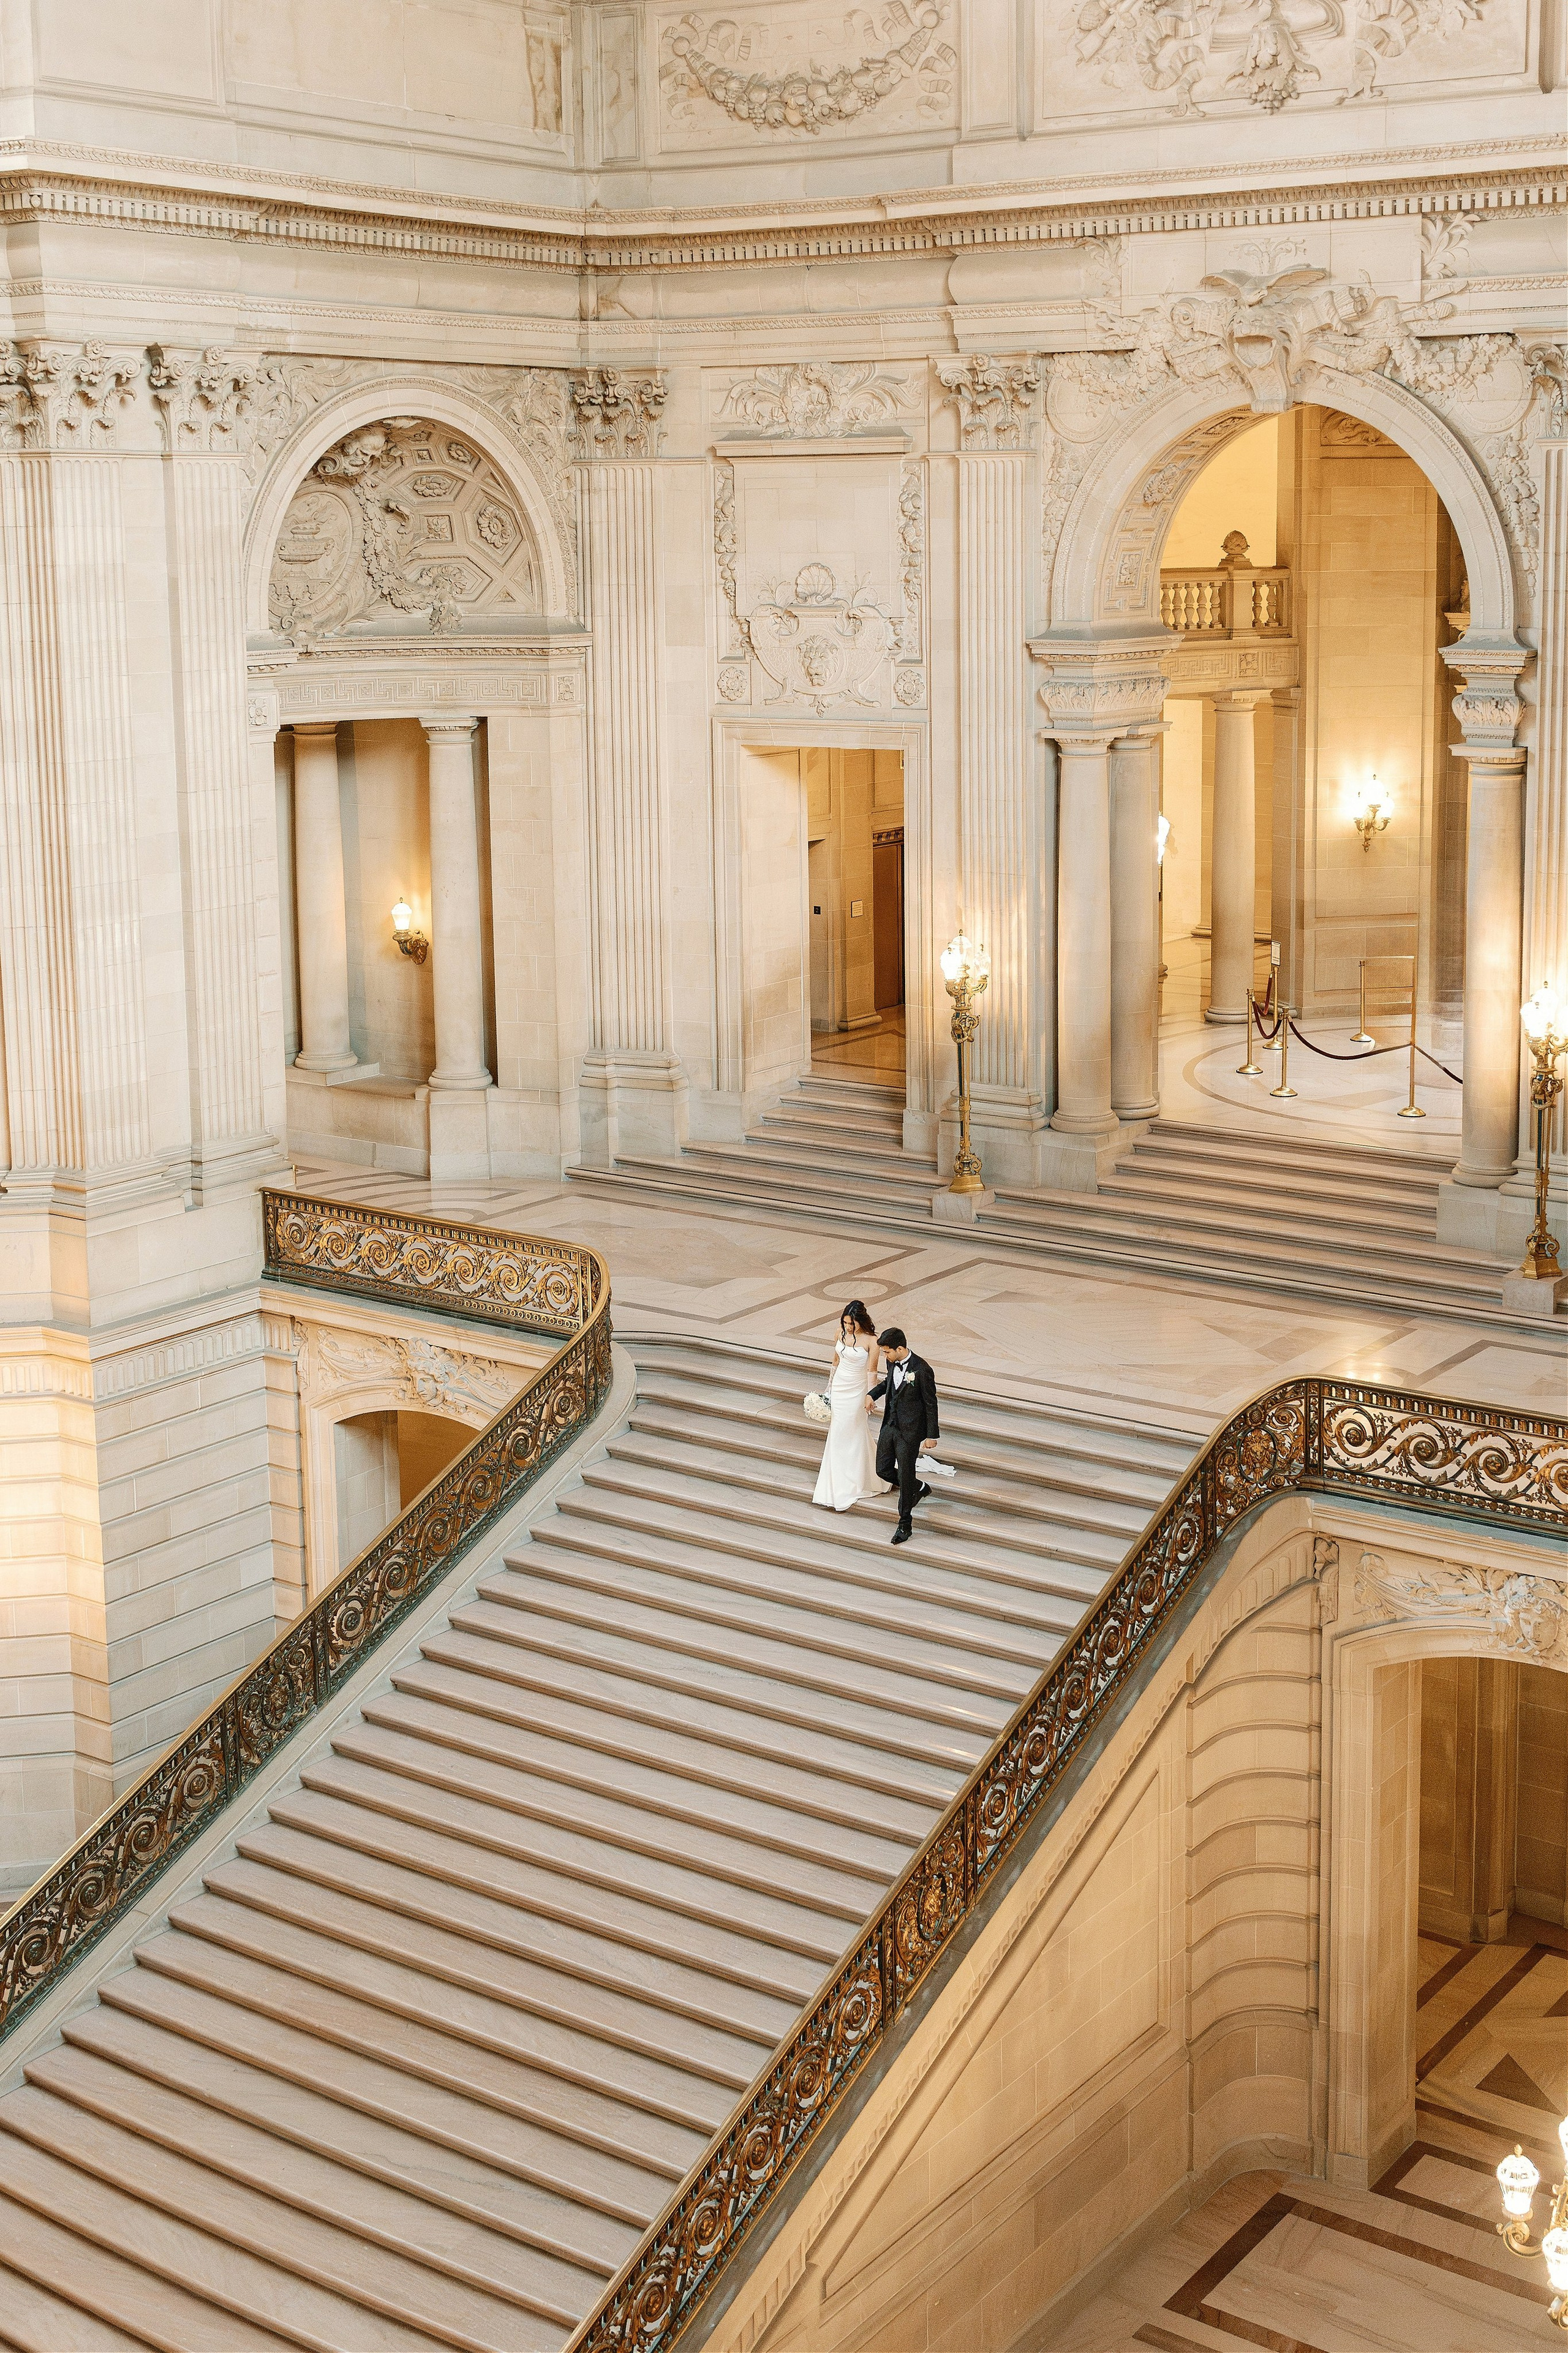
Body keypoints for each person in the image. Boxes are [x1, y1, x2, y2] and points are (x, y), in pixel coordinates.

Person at [811, 1301, 884, 1512]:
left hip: (857, 1391)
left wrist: (871, 1397)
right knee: (838, 1432)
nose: (848, 1327)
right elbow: (835, 1362)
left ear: (861, 1321)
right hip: (840, 1388)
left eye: (852, 1323)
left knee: (854, 1431)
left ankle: (858, 1479)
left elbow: (872, 1372)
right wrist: (828, 1389)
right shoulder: (839, 1333)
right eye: (845, 1323)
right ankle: (835, 1479)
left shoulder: (872, 1341)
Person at [869, 1327, 940, 1546]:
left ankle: (905, 1525)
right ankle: (917, 1486)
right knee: (882, 1469)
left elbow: (931, 1404)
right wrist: (872, 1395)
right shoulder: (892, 1362)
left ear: (899, 1349)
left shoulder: (922, 1370)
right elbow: (889, 1383)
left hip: (910, 1432)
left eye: (887, 1352)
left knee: (905, 1474)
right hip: (890, 1426)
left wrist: (932, 1435)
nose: (885, 1355)